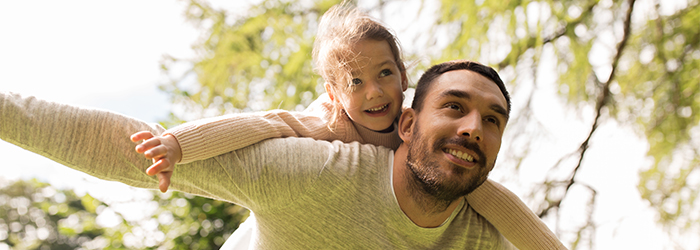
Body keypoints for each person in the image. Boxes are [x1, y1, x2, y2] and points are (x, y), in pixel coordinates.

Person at [0, 60, 567, 249]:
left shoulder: (486, 234)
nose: (473, 128)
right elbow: (128, 150)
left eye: (492, 120)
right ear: (409, 121)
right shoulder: (312, 171)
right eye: (455, 108)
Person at [132, 4, 563, 250]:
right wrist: (176, 143)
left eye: (385, 74)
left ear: (404, 76)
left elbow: (502, 206)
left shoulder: (421, 136)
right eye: (355, 82)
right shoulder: (326, 125)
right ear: (334, 93)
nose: (374, 92)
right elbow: (261, 123)